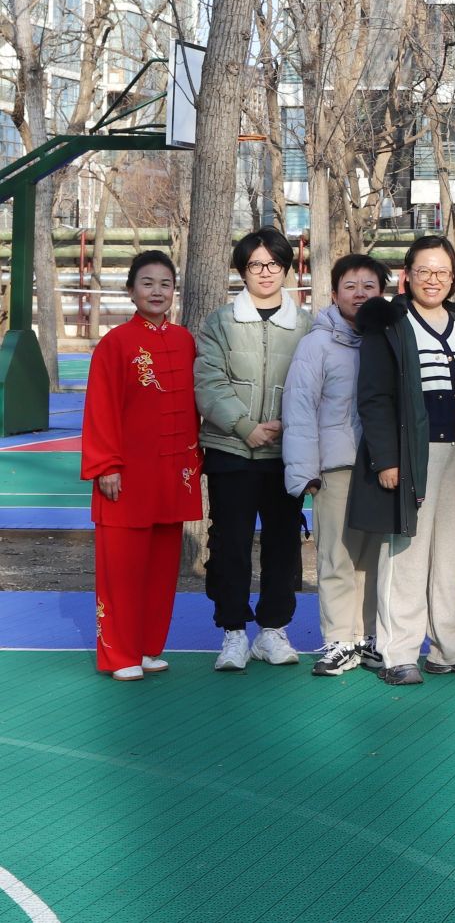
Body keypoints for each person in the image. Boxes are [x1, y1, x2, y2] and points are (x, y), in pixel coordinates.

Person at [349, 235, 455, 685]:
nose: (433, 280)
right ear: (407, 275)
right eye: (424, 271)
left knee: (450, 555)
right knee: (406, 554)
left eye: (442, 272)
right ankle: (398, 652)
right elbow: (373, 397)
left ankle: (450, 648)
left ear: (454, 277)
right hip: (412, 452)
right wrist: (387, 459)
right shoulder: (390, 323)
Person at [193, 228, 312, 672]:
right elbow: (208, 383)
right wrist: (246, 428)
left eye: (274, 264)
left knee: (284, 544)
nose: (265, 272)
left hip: (286, 454)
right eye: (255, 264)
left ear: (286, 268)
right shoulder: (219, 322)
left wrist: (287, 427)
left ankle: (273, 630)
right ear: (242, 270)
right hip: (231, 451)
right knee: (230, 545)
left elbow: (314, 386)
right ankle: (234, 633)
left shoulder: (306, 325)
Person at [82, 251, 202, 680]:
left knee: (161, 568)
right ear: (131, 290)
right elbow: (100, 408)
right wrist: (106, 466)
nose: (157, 291)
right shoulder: (115, 343)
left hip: (174, 475)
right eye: (147, 283)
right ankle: (120, 655)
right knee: (122, 569)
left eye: (165, 284)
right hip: (126, 476)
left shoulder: (185, 341)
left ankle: (149, 647)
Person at [284, 254, 388, 677]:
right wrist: (305, 471)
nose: (360, 293)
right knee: (336, 557)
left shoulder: (389, 339)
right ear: (334, 294)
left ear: (382, 292)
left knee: (374, 559)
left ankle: (367, 638)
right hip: (337, 468)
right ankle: (339, 640)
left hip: (381, 468)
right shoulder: (317, 345)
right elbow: (299, 408)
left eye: (369, 286)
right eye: (351, 286)